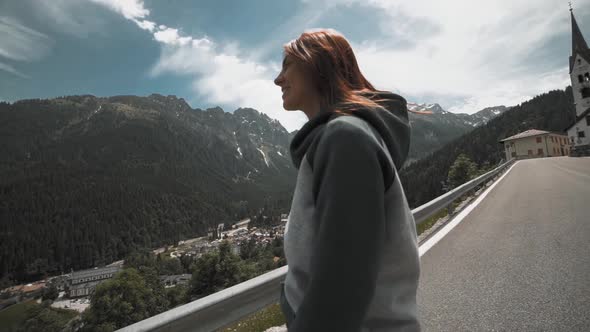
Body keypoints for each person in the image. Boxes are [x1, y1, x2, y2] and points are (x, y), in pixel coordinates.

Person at [273, 28, 421, 332]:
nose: (278, 78)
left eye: (287, 64)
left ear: (318, 64)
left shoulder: (345, 138)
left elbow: (340, 291)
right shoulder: (344, 137)